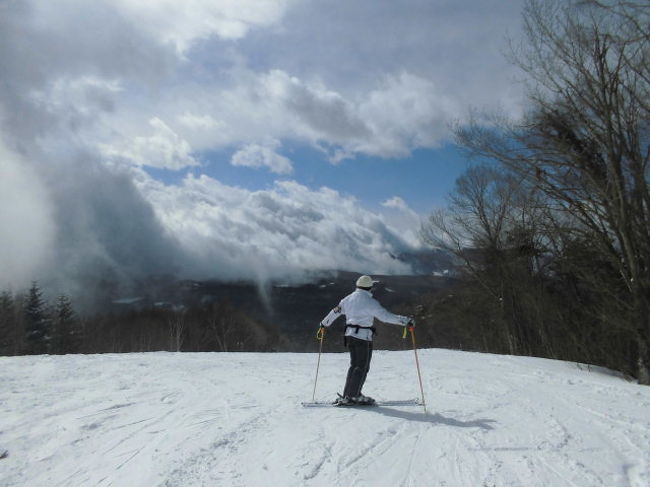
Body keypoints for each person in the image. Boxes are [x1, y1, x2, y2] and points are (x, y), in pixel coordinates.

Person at [319, 275, 414, 406]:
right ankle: (353, 395)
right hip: (363, 337)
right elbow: (386, 317)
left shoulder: (347, 299)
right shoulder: (370, 302)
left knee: (354, 365)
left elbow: (335, 312)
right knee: (362, 366)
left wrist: (324, 324)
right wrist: (405, 321)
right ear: (370, 288)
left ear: (357, 286)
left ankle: (349, 394)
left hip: (349, 336)